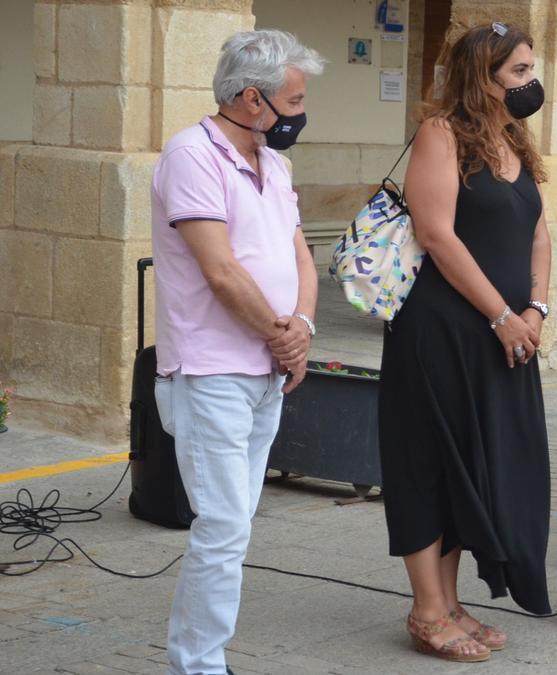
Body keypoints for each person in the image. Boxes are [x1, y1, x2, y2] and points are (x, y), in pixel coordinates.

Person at [377, 22, 552, 663]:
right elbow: (437, 234)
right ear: (482, 76)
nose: (531, 82)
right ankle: (427, 610)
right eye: (518, 72)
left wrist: (534, 307)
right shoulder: (441, 134)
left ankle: (451, 602)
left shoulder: (513, 138)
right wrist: (502, 314)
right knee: (429, 461)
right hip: (443, 330)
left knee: (472, 468)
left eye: (531, 69)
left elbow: (538, 232)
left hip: (503, 332)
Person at [150, 30, 323, 675]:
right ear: (253, 99)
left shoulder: (273, 165)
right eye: (295, 101)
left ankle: (202, 656)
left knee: (235, 523)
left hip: (264, 371)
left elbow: (300, 254)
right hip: (211, 370)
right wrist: (281, 338)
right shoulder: (191, 157)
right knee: (222, 527)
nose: (302, 116)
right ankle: (198, 663)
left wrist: (302, 325)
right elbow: (220, 271)